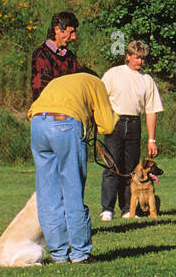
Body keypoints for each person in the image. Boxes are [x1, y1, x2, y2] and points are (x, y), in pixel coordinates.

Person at [27, 68, 117, 263]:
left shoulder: (58, 80)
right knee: (72, 189)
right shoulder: (95, 83)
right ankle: (79, 254)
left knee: (47, 194)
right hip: (66, 124)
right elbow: (107, 126)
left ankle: (59, 255)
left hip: (37, 123)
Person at [99, 40, 165, 221]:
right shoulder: (114, 74)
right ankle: (107, 208)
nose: (140, 62)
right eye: (137, 58)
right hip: (115, 123)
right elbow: (100, 98)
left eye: (143, 59)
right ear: (128, 56)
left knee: (131, 169)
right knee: (112, 166)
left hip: (134, 123)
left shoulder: (147, 80)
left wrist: (152, 139)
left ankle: (128, 208)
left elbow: (151, 110)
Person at [31, 11, 81, 101]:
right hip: (48, 110)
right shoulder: (41, 54)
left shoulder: (70, 57)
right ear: (57, 30)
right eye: (71, 32)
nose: (74, 37)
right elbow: (41, 90)